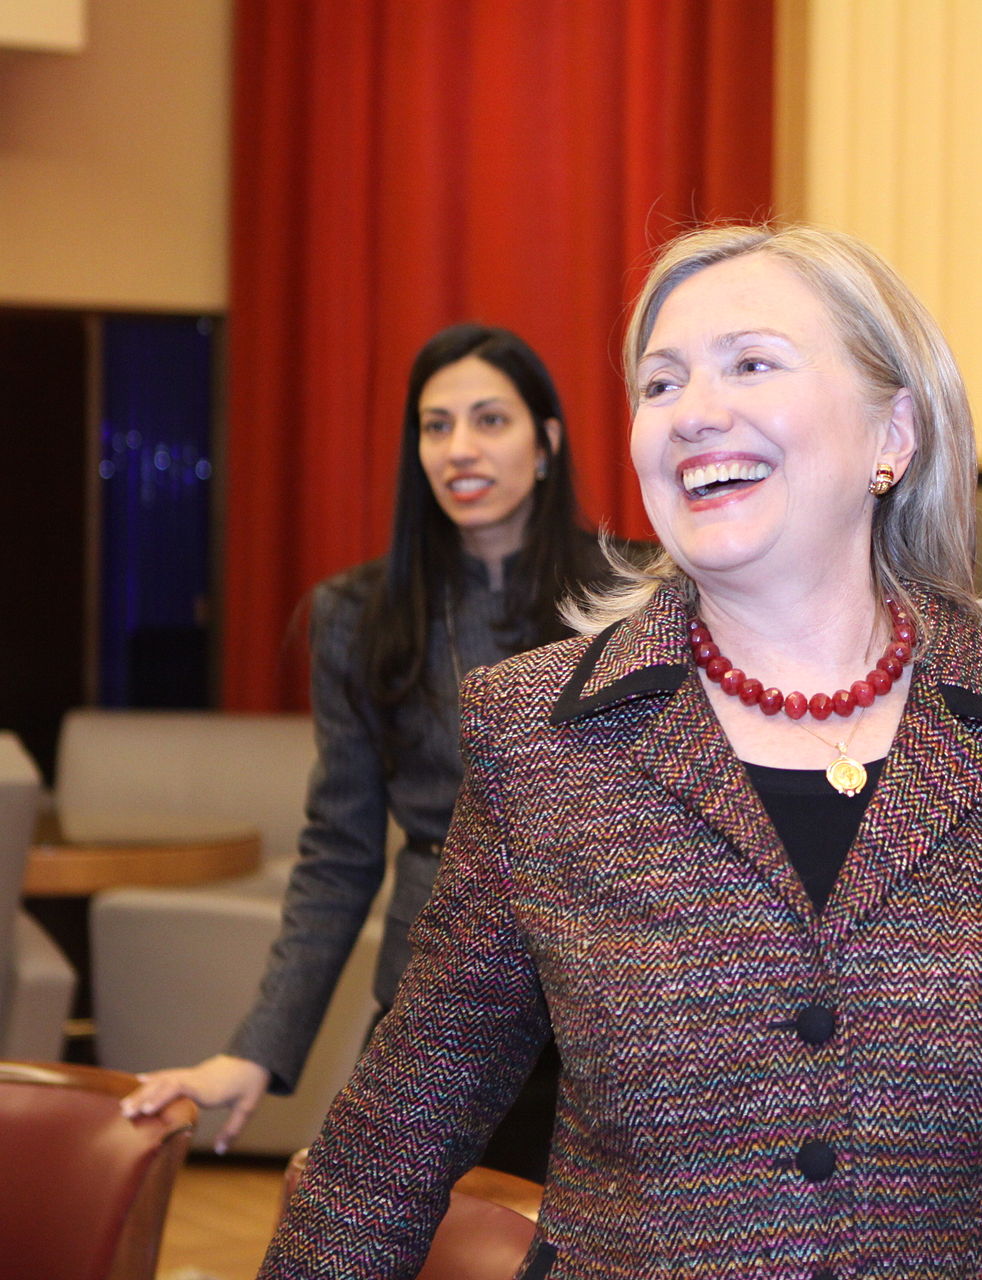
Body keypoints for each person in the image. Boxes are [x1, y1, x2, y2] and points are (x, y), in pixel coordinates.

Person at [259, 225, 982, 1279]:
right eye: (661, 383)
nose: (694, 412)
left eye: (751, 362)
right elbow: (395, 1138)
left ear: (895, 430)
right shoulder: (545, 739)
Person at [122, 324, 615, 1180]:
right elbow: (339, 856)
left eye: (490, 420)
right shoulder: (357, 616)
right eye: (435, 425)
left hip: (607, 992)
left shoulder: (629, 597)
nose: (460, 448)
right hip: (436, 994)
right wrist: (258, 1049)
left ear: (547, 443)